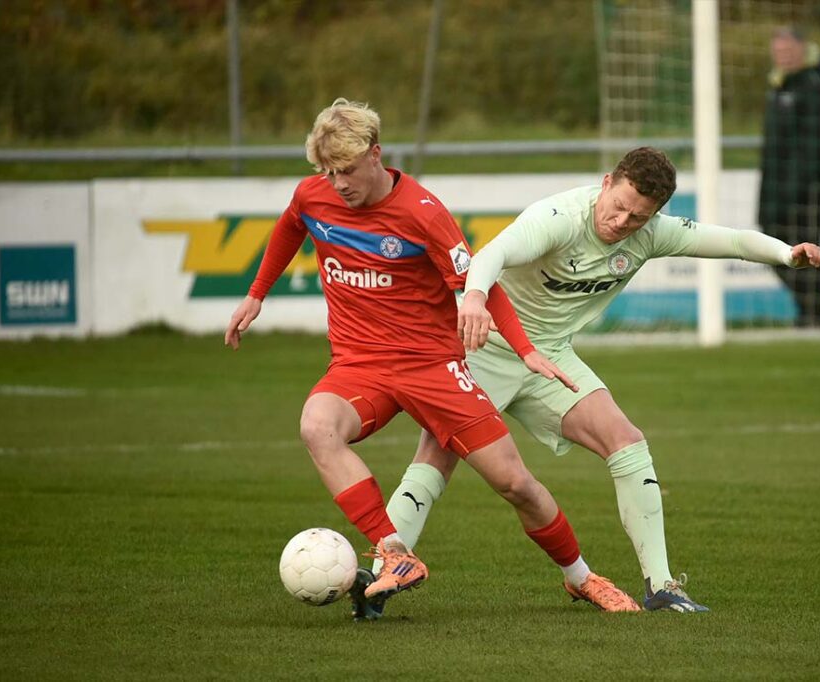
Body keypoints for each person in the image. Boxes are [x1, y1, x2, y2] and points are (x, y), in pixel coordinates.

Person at [224, 98, 641, 619]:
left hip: (432, 367)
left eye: (348, 170)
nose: (338, 184)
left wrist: (527, 350)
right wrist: (257, 293)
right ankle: (394, 552)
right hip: (360, 364)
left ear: (377, 154)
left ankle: (581, 578)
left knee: (516, 485)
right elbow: (291, 224)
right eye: (328, 172)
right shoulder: (314, 196)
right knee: (317, 426)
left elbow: (479, 285)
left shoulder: (423, 212)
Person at [377, 146, 820, 613]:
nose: (622, 222)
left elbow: (731, 241)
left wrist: (785, 254)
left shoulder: (649, 234)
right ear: (607, 182)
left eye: (637, 217)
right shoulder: (558, 217)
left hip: (550, 358)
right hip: (484, 347)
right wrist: (472, 299)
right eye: (619, 207)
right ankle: (381, 573)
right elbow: (493, 253)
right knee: (436, 454)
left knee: (627, 442)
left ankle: (662, 586)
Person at [759, 26, 820, 328]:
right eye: (778, 51)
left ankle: (815, 315)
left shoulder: (817, 85)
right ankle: (810, 312)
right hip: (778, 191)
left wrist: (804, 190)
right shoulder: (780, 85)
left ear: (802, 49)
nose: (782, 56)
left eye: (787, 50)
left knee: (807, 252)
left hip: (809, 192)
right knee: (777, 250)